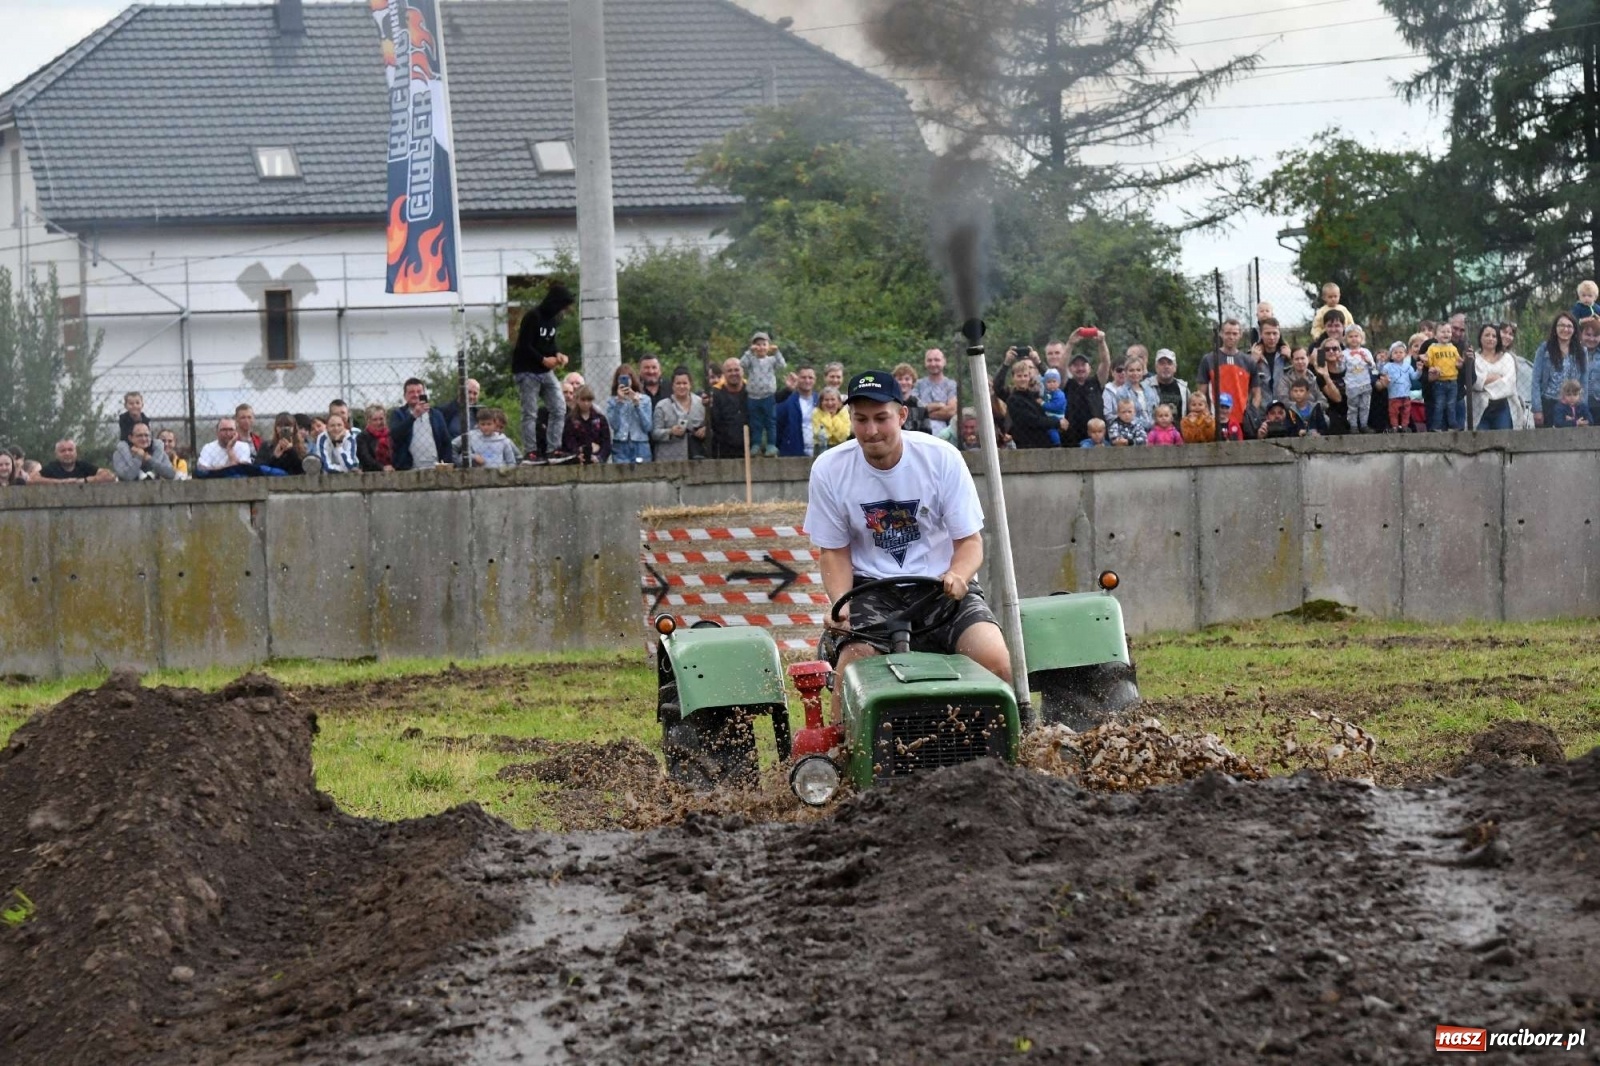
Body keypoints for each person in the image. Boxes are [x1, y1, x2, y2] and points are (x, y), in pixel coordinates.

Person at [803, 368, 1012, 722]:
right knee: (851, 675)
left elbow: (970, 542)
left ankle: (1009, 746)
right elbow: (834, 551)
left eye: (881, 418)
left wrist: (959, 575)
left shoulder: (941, 458)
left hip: (941, 587)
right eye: (861, 419)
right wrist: (840, 605)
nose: (871, 431)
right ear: (849, 418)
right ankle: (840, 761)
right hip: (872, 589)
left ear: (901, 415)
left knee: (996, 661)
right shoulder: (829, 469)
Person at [512, 283, 574, 462]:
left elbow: (550, 344)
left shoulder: (553, 320)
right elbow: (525, 345)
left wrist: (557, 355)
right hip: (527, 370)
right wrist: (543, 360)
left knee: (559, 407)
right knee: (530, 411)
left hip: (545, 371)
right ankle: (531, 451)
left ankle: (553, 449)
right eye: (563, 306)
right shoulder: (533, 317)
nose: (564, 311)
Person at [1197, 318, 1262, 440]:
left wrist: (1251, 414)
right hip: (1215, 421)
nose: (1231, 337)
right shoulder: (1209, 359)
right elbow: (1201, 392)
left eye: (1235, 333)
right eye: (1227, 333)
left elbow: (1257, 393)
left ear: (1240, 335)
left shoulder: (1248, 361)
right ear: (1221, 334)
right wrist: (1206, 415)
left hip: (1242, 421)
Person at [388, 378, 455, 471]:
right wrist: (414, 416)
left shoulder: (436, 415)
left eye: (419, 391)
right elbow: (395, 436)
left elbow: (446, 441)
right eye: (411, 392)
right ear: (405, 396)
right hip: (408, 469)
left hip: (435, 467)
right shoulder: (398, 414)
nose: (415, 395)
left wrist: (445, 464)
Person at [739, 331, 786, 457]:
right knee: (755, 422)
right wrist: (749, 351)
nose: (760, 347)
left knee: (770, 421)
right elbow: (741, 364)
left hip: (768, 396)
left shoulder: (771, 360)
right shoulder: (751, 360)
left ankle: (771, 444)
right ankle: (756, 444)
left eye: (764, 344)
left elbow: (782, 365)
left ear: (768, 346)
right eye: (757, 345)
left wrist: (776, 352)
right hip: (753, 396)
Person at [1532, 311, 1582, 428]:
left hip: (1571, 404)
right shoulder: (1544, 349)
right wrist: (1537, 409)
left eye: (1569, 326)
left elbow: (1583, 381)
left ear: (1574, 329)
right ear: (1555, 328)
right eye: (1561, 325)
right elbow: (1535, 380)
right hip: (1548, 403)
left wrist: (1581, 407)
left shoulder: (1580, 351)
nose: (1565, 329)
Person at [996, 356, 1054, 449]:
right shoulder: (1012, 398)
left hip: (1044, 441)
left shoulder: (1035, 394)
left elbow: (1053, 380)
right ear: (1013, 378)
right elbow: (1032, 420)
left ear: (1029, 377)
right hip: (1026, 443)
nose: (1022, 379)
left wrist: (1038, 362)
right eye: (1019, 376)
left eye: (1025, 376)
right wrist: (1006, 363)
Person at [651, 367, 707, 463]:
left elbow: (710, 425)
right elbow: (654, 433)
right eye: (678, 383)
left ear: (690, 385)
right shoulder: (662, 406)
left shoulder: (701, 403)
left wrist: (705, 430)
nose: (682, 386)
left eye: (685, 383)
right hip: (669, 459)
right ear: (672, 386)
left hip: (696, 457)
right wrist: (670, 432)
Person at [605, 364, 654, 464]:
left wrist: (637, 405)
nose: (625, 382)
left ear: (632, 380)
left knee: (643, 476)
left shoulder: (644, 399)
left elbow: (647, 426)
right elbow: (615, 426)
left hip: (640, 444)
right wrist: (619, 402)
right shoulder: (612, 401)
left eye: (628, 378)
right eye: (621, 378)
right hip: (620, 445)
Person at [1474, 324, 1517, 431]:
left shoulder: (1507, 359)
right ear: (1480, 338)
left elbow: (1509, 385)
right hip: (1479, 408)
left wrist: (1484, 382)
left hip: (1502, 407)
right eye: (1487, 335)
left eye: (1494, 336)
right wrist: (1497, 378)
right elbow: (1474, 383)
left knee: (1503, 442)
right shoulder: (1474, 359)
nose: (1490, 338)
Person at [1060, 345, 1103, 446]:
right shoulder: (1067, 384)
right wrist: (1071, 343)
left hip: (1095, 438)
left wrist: (1101, 342)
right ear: (1070, 369)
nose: (1080, 368)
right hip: (1070, 439)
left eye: (1083, 365)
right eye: (1076, 365)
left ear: (1090, 368)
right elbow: (1061, 367)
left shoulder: (1096, 383)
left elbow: (1105, 362)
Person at [1424, 320, 1462, 431]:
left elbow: (1458, 362)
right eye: (1442, 331)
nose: (1446, 334)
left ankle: (1452, 425)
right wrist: (1427, 362)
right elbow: (1429, 362)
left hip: (1453, 381)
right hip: (1439, 382)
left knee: (1451, 405)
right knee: (1439, 405)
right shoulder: (1432, 348)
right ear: (1435, 335)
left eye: (1448, 331)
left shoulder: (1453, 348)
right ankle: (1436, 426)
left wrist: (1460, 364)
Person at [913, 348, 959, 438]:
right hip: (920, 432)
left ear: (944, 362)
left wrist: (924, 412)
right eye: (929, 360)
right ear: (925, 363)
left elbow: (951, 411)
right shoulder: (917, 384)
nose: (933, 364)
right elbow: (914, 410)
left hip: (945, 435)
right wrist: (939, 405)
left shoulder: (951, 384)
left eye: (937, 360)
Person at [775, 364, 818, 457]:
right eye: (803, 377)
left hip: (817, 452)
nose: (807, 381)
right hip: (792, 452)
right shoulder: (787, 401)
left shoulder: (821, 401)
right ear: (797, 378)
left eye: (810, 378)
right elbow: (777, 426)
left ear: (815, 380)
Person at [1342, 325, 1377, 433]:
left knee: (1365, 406)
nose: (1354, 338)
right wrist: (1339, 361)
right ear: (1346, 339)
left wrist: (1369, 362)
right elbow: (1341, 369)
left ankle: (1364, 425)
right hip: (1352, 385)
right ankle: (1353, 426)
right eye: (1350, 336)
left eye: (1356, 336)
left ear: (1361, 338)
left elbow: (1374, 368)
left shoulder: (1366, 352)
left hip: (1365, 383)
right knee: (1352, 407)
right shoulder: (1345, 354)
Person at [111, 423, 177, 481]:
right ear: (130, 438)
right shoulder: (120, 454)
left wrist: (149, 459)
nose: (144, 439)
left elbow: (171, 474)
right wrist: (138, 457)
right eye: (139, 435)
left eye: (146, 435)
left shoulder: (158, 451)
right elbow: (128, 476)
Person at [563, 385, 611, 463]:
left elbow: (606, 443)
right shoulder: (570, 419)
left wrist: (600, 457)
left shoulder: (600, 419)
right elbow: (568, 441)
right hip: (577, 461)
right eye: (583, 400)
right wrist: (577, 453)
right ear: (577, 400)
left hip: (596, 459)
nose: (586, 403)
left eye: (589, 400)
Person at [35, 439, 115, 484]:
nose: (67, 453)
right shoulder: (51, 467)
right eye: (63, 451)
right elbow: (32, 479)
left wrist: (84, 481)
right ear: (56, 454)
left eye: (70, 450)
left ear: (76, 452)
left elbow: (109, 476)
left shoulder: (83, 466)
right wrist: (61, 482)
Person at [1379, 344, 1419, 432]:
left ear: (1405, 354)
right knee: (1393, 412)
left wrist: (1419, 370)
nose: (1398, 354)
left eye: (1401, 352)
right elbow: (1381, 372)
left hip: (1406, 394)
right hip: (1394, 395)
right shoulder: (1388, 366)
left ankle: (1405, 426)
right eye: (1395, 352)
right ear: (1391, 355)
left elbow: (1414, 377)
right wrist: (1381, 362)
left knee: (1406, 412)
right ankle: (1394, 426)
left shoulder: (1408, 366)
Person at [1141, 350, 1188, 421]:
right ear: (1156, 367)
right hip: (1154, 431)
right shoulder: (1145, 387)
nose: (1166, 367)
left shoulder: (1184, 388)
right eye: (1162, 363)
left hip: (1179, 431)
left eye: (1169, 363)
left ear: (1175, 367)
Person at [893, 363, 932, 435]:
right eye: (900, 379)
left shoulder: (920, 406)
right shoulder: (889, 404)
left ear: (913, 382)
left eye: (907, 379)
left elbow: (927, 433)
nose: (903, 382)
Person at [811, 386, 852, 452]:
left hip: (840, 447)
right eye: (826, 400)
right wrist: (828, 416)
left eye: (833, 399)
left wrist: (833, 417)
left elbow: (843, 436)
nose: (830, 403)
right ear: (821, 402)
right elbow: (820, 434)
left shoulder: (844, 412)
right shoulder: (816, 413)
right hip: (821, 447)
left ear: (839, 402)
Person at [357, 403, 393, 472]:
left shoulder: (391, 435)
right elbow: (365, 457)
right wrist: (382, 467)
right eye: (375, 420)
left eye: (381, 419)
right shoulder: (362, 437)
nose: (379, 422)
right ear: (368, 420)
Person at [1041, 368, 1067, 446]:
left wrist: (1043, 404)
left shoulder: (1060, 394)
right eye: (1049, 382)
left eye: (1054, 381)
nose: (1051, 384)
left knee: (1052, 430)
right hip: (1048, 415)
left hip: (1057, 415)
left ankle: (1057, 444)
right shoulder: (1047, 393)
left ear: (1058, 382)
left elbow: (1056, 406)